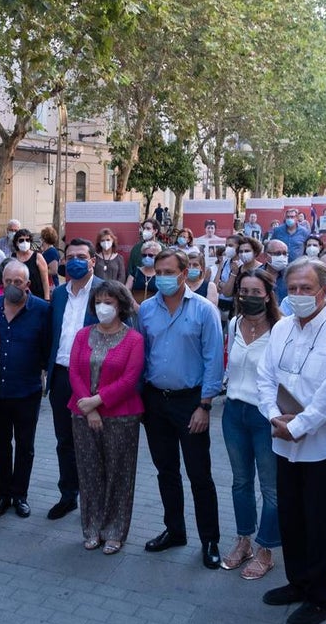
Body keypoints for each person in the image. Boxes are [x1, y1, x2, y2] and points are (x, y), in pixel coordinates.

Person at [257, 258, 326, 624]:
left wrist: (298, 426)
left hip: (325, 448)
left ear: (324, 289)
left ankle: (319, 597)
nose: (299, 295)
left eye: (307, 288)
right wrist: (273, 416)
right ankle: (297, 581)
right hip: (283, 442)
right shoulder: (282, 327)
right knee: (292, 517)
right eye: (293, 288)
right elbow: (265, 376)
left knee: (321, 524)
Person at [137, 248, 224, 569]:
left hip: (192, 403)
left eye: (169, 272)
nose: (162, 278)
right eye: (158, 272)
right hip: (155, 400)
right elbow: (141, 355)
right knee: (166, 472)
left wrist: (205, 405)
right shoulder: (146, 310)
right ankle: (174, 530)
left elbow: (214, 360)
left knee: (200, 474)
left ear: (185, 274)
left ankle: (210, 539)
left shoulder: (204, 310)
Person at [68, 280, 145, 554]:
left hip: (121, 416)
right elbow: (74, 372)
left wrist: (98, 401)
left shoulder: (134, 339)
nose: (103, 307)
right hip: (83, 414)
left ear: (121, 306)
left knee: (119, 475)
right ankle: (92, 528)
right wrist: (89, 409)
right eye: (99, 302)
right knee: (89, 473)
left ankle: (115, 531)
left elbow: (130, 379)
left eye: (109, 302)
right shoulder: (82, 335)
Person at [220, 269, 282, 579]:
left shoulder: (282, 330)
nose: (248, 297)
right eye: (243, 291)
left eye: (256, 292)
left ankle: (266, 550)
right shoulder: (233, 323)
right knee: (240, 481)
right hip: (233, 412)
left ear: (268, 295)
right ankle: (243, 541)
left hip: (264, 416)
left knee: (270, 487)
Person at [0, 260, 50, 519]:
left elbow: (48, 346)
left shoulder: (43, 310)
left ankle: (20, 495)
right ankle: (2, 494)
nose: (12, 287)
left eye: (18, 283)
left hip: (27, 391)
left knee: (25, 446)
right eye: (7, 282)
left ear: (28, 285)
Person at [47, 239, 101, 520]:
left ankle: (96, 499)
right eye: (71, 256)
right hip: (61, 376)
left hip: (94, 379)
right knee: (64, 440)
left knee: (94, 441)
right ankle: (68, 495)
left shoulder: (106, 291)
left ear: (93, 260)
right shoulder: (58, 295)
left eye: (82, 256)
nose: (76, 260)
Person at [10, 228, 50, 301]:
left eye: (27, 240)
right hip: (19, 297)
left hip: (37, 297)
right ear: (16, 242)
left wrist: (47, 298)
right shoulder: (13, 257)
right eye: (21, 240)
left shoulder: (37, 257)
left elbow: (45, 280)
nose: (25, 242)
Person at [127, 240, 162, 305]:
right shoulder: (135, 272)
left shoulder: (161, 274)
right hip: (134, 310)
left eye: (150, 255)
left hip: (154, 310)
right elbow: (126, 290)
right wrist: (135, 306)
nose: (147, 257)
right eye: (144, 255)